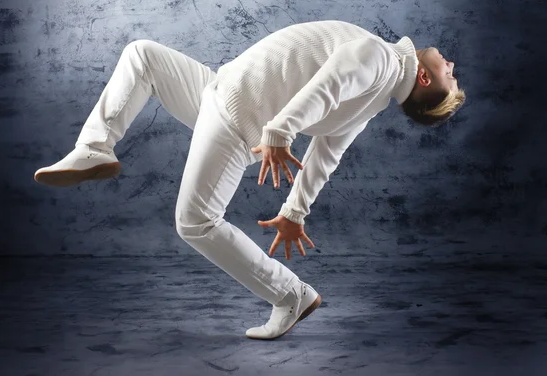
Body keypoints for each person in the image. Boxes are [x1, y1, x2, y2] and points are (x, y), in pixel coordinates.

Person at [33, 19, 466, 340]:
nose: (451, 64)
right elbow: (328, 152)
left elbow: (326, 88)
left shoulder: (379, 59)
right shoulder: (372, 98)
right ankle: (94, 148)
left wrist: (279, 131)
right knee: (142, 54)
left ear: (423, 77)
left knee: (195, 221)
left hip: (236, 122)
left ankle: (289, 294)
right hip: (217, 88)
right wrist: (295, 211)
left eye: (449, 74)